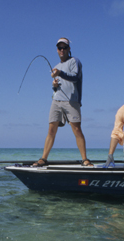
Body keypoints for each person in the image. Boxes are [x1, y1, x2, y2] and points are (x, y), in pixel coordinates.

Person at [33, 38, 92, 167]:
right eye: (59, 48)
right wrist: (54, 84)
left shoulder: (74, 61)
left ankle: (85, 159)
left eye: (64, 47)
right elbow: (57, 86)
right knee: (51, 130)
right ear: (57, 50)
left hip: (72, 101)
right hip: (56, 100)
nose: (62, 50)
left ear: (69, 49)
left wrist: (61, 73)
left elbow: (75, 77)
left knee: (76, 129)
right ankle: (43, 158)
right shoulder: (56, 67)